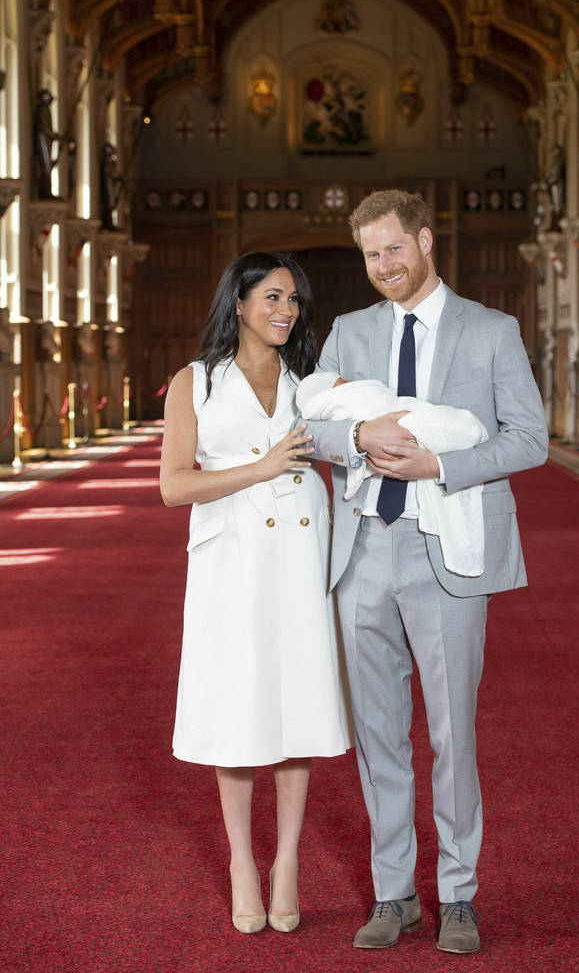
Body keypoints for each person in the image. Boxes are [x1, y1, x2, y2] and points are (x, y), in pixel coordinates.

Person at [303, 190, 548, 955]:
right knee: (379, 735)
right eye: (371, 255)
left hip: (449, 550)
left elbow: (529, 440)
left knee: (452, 734)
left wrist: (439, 462)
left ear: (425, 240)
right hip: (365, 553)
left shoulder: (491, 330)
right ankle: (394, 893)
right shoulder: (348, 332)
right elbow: (311, 424)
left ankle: (460, 895)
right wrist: (359, 433)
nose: (384, 267)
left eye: (394, 249)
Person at [160, 251, 352, 937]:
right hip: (232, 558)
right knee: (239, 707)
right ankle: (244, 859)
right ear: (238, 303)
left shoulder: (310, 382)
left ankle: (288, 862)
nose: (286, 311)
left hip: (301, 552)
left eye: (294, 300)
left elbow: (349, 440)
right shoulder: (196, 383)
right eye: (273, 297)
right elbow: (174, 485)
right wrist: (261, 466)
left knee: (297, 703)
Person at [296, 370, 489, 577]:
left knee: (439, 423)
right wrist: (359, 435)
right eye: (342, 383)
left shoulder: (495, 336)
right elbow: (303, 430)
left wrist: (437, 466)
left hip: (432, 529)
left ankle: (466, 429)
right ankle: (466, 430)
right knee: (431, 427)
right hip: (362, 534)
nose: (350, 382)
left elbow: (527, 436)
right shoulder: (342, 347)